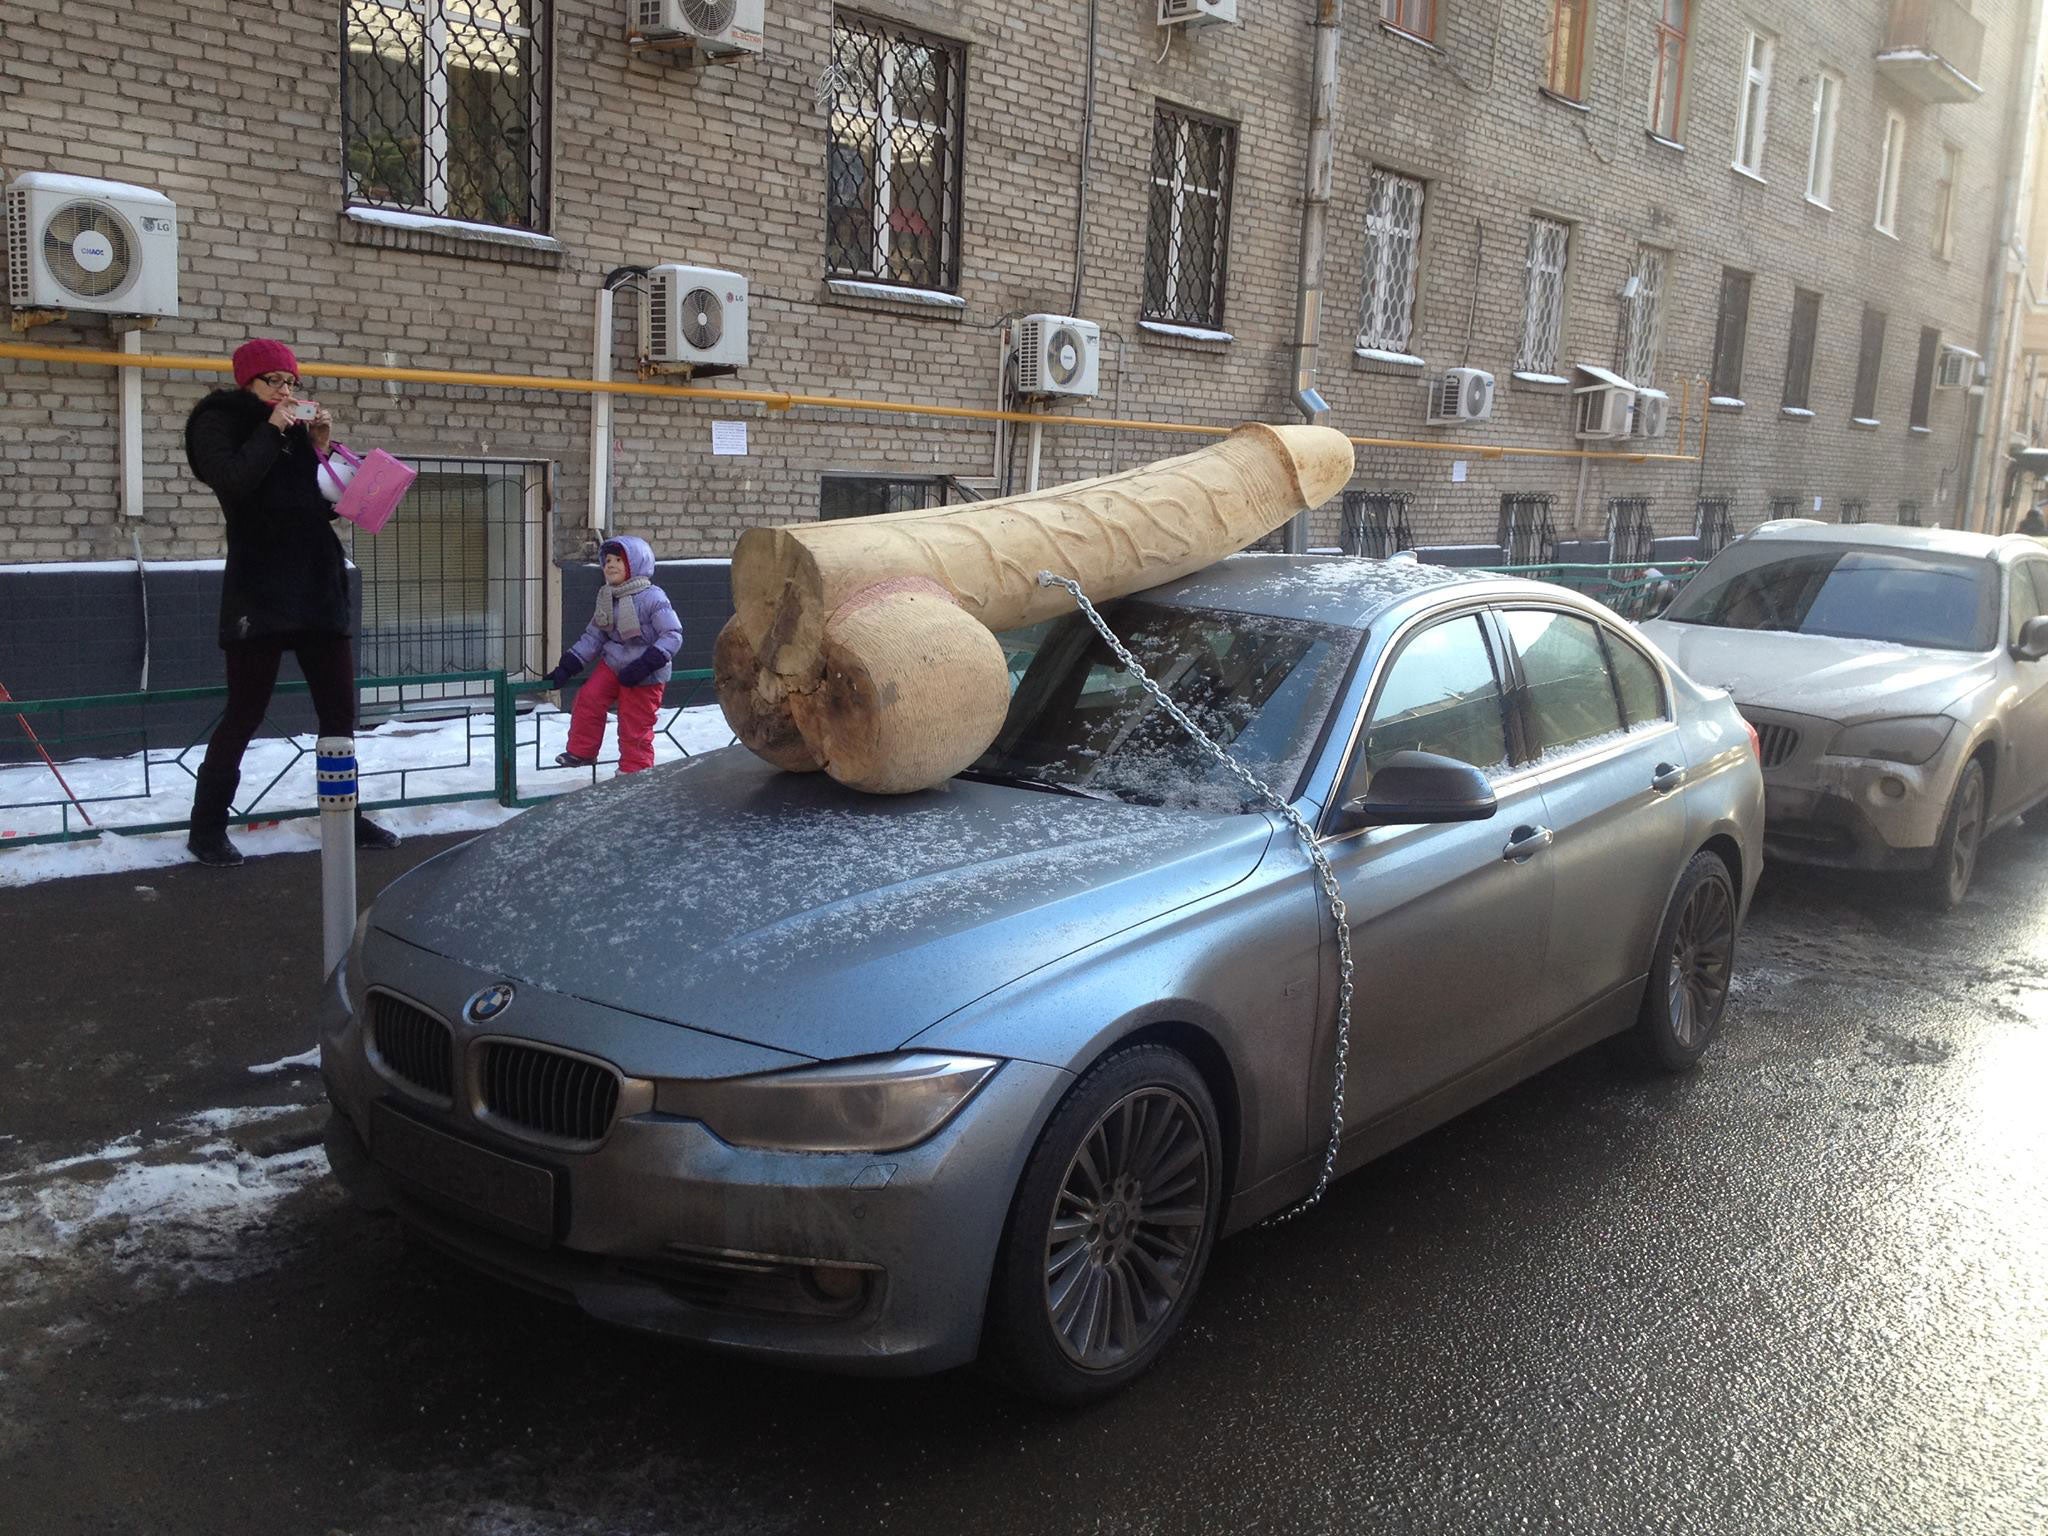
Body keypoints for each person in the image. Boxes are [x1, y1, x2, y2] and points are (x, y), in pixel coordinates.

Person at [183, 338, 399, 867]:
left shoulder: (298, 432)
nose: (286, 390)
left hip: (317, 585)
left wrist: (321, 447)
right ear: (248, 382)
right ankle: (206, 827)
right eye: (275, 381)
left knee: (339, 713)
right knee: (246, 710)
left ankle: (344, 815)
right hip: (260, 589)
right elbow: (234, 482)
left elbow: (313, 507)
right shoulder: (219, 421)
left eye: (292, 382)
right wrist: (275, 428)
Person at [546, 536, 682, 774]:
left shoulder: (652, 596)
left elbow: (672, 634)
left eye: (619, 559)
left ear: (636, 563)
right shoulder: (607, 597)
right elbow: (594, 636)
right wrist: (568, 665)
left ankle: (634, 771)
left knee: (634, 723)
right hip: (613, 663)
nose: (611, 565)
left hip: (645, 671)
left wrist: (646, 664)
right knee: (588, 698)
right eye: (607, 560)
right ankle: (582, 751)